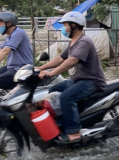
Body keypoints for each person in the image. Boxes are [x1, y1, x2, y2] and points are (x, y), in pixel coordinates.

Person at [37, 11, 106, 143]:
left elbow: (72, 60)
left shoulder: (84, 41)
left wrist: (52, 73)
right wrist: (41, 68)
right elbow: (60, 58)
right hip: (78, 80)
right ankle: (64, 122)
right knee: (53, 90)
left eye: (65, 25)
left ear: (73, 25)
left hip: (91, 81)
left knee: (66, 97)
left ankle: (74, 132)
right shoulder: (73, 42)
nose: (63, 28)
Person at [0, 12, 33, 90]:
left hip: (21, 68)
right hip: (12, 67)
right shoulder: (10, 36)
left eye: (0, 24)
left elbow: (5, 51)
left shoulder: (18, 33)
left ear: (8, 24)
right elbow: (1, 49)